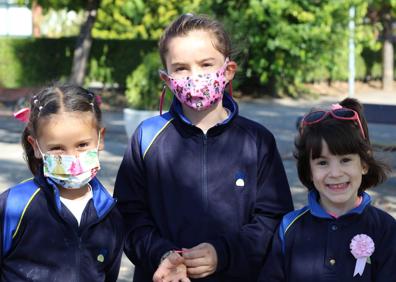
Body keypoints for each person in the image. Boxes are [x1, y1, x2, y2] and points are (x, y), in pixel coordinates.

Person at [114, 13, 294, 282]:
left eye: (206, 64)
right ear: (167, 79)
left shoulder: (257, 141)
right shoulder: (146, 137)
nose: (194, 76)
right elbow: (128, 216)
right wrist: (161, 254)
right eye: (181, 68)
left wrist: (224, 253)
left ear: (228, 70)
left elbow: (273, 219)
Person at [258, 98, 396, 282]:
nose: (335, 173)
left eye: (345, 160)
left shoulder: (386, 228)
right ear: (309, 171)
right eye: (322, 163)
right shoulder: (289, 227)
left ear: (364, 164)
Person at [0, 84, 124, 281]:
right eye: (57, 148)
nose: (72, 158)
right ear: (37, 147)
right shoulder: (13, 206)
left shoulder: (109, 214)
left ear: (100, 139)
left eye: (82, 145)